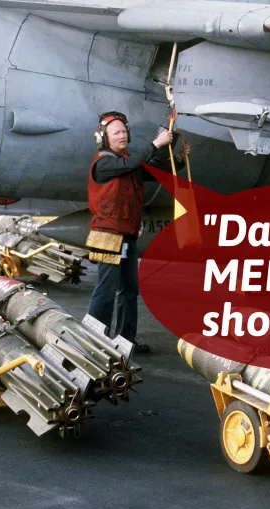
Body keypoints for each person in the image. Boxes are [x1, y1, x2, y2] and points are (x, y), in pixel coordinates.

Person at [87, 111, 190, 353]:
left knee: (129, 291)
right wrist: (157, 143)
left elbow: (152, 171)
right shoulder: (104, 162)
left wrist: (179, 160)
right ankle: (92, 342)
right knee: (105, 291)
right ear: (104, 138)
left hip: (128, 236)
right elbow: (132, 164)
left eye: (124, 131)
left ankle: (125, 343)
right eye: (116, 132)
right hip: (107, 235)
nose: (122, 135)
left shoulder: (126, 162)